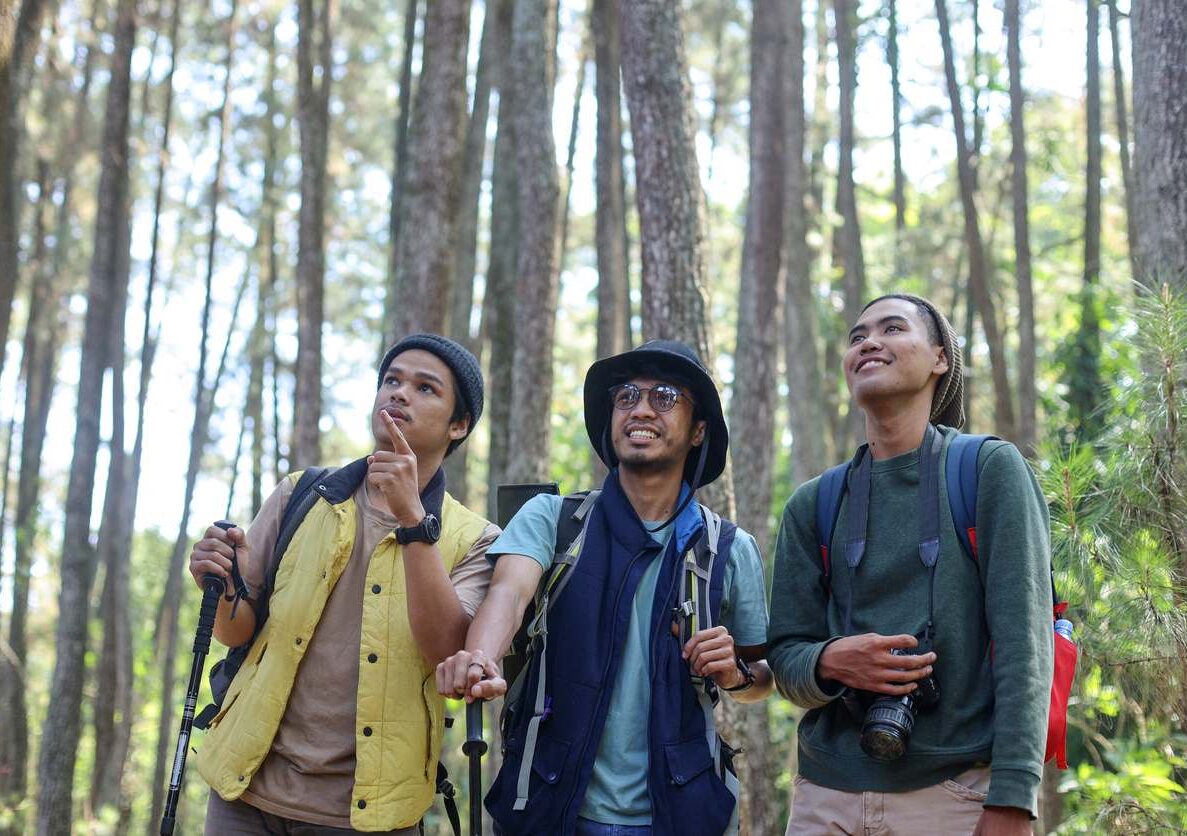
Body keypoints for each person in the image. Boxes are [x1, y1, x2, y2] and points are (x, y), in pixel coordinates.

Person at [437, 340, 774, 836]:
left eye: (663, 396)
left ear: (699, 429)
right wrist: (482, 657)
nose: (639, 409)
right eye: (625, 397)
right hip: (548, 805)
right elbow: (507, 596)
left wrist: (736, 675)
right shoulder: (554, 521)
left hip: (682, 813)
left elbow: (763, 676)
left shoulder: (727, 548)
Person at [188, 334, 500, 834]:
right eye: (392, 381)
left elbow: (448, 651)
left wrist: (413, 521)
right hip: (244, 793)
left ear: (459, 425)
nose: (399, 394)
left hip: (369, 813)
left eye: (425, 388)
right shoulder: (302, 494)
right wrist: (220, 581)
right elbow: (237, 631)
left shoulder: (476, 540)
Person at [768, 294, 1054, 835]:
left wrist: (1014, 797)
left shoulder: (988, 470)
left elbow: (1026, 642)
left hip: (956, 791)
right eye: (856, 337)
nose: (868, 342)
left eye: (892, 328)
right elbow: (785, 658)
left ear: (941, 358)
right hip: (824, 796)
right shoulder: (814, 503)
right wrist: (832, 660)